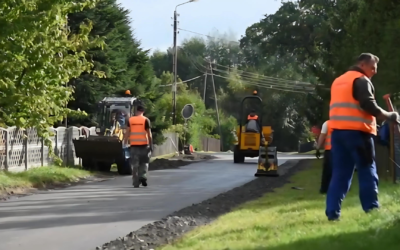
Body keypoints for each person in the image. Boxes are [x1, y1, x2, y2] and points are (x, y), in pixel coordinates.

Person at [327, 53, 399, 221]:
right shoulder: (361, 80)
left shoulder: (338, 81)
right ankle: (371, 209)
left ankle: (332, 213)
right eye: (372, 67)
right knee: (367, 170)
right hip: (358, 134)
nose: (374, 71)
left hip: (338, 134)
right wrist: (390, 116)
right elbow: (368, 105)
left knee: (340, 174)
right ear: (362, 64)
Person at [124, 105, 153, 188]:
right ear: (143, 112)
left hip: (134, 146)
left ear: (136, 111)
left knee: (134, 165)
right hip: (144, 145)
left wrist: (125, 143)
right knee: (144, 162)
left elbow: (127, 133)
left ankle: (135, 182)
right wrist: (151, 145)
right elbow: (149, 134)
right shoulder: (146, 120)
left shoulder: (131, 120)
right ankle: (143, 176)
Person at [315, 120, 332, 194]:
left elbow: (322, 136)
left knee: (327, 171)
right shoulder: (345, 122)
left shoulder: (327, 123)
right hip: (342, 150)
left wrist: (318, 148)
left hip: (330, 150)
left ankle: (324, 189)